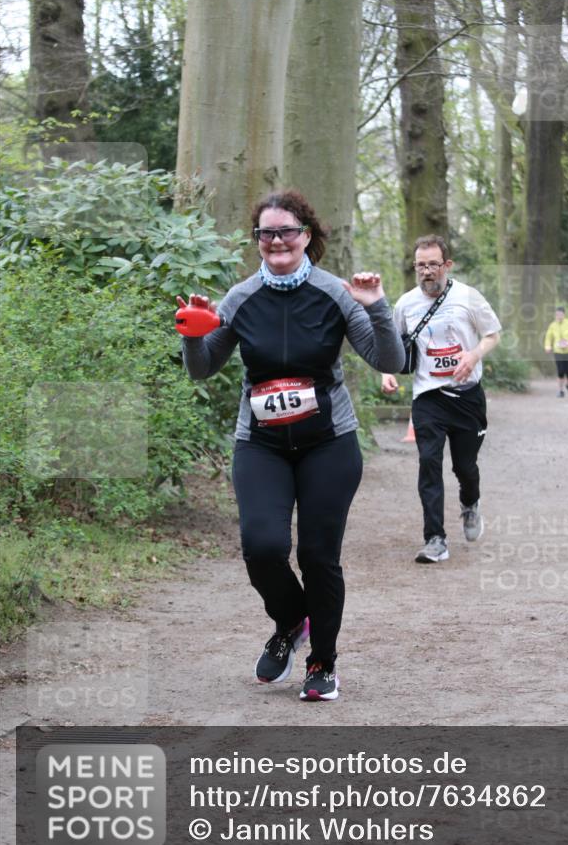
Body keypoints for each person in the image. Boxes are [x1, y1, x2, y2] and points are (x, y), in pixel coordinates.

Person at [178, 190, 404, 702]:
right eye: (267, 233)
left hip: (329, 443)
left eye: (287, 231)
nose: (276, 240)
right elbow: (201, 368)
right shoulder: (240, 298)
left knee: (319, 556)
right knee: (262, 548)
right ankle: (290, 621)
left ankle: (322, 661)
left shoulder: (336, 294)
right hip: (261, 444)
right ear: (257, 240)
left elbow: (388, 361)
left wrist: (377, 306)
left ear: (306, 235)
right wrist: (192, 332)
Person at [381, 235, 501, 564]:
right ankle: (435, 539)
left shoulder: (468, 297)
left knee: (465, 467)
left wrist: (473, 355)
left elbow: (493, 334)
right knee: (428, 463)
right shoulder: (405, 304)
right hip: (428, 396)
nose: (426, 271)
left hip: (467, 397)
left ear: (447, 265)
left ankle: (470, 504)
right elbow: (392, 345)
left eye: (433, 264)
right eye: (420, 265)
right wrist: (386, 372)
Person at [544, 307, 568, 398]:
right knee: (560, 371)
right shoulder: (553, 325)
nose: (559, 316)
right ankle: (561, 391)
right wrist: (547, 346)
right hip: (558, 351)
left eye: (560, 314)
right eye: (557, 314)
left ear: (564, 315)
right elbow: (548, 337)